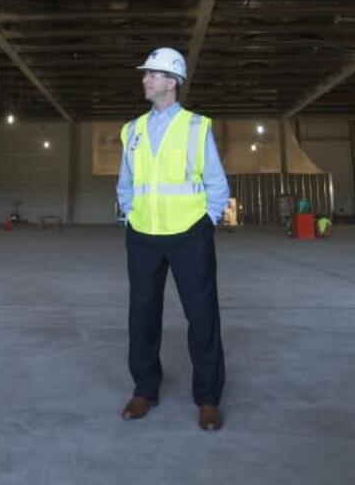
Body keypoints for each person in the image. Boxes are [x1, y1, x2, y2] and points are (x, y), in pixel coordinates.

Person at [116, 47, 230, 431]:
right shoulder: (131, 130)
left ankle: (208, 397)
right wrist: (130, 216)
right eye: (145, 74)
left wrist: (205, 224)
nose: (144, 80)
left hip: (188, 236)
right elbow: (125, 182)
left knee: (202, 316)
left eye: (152, 74)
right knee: (142, 316)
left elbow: (217, 183)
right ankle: (144, 389)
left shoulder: (197, 127)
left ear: (171, 82)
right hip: (143, 235)